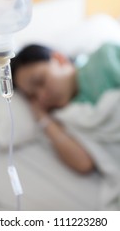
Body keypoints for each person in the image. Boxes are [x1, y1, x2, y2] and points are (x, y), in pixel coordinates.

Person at [11, 42, 120, 174]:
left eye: (40, 81)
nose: (42, 97)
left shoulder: (105, 57)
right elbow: (83, 163)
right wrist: (42, 118)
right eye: (33, 96)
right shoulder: (65, 117)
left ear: (59, 59)